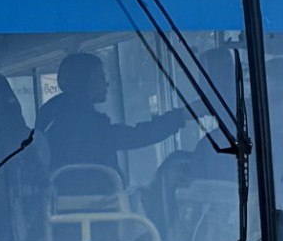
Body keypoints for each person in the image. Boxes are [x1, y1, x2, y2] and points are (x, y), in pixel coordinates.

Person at [36, 49, 187, 180]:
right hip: (99, 203)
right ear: (83, 82)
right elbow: (137, 136)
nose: (106, 83)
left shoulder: (51, 115)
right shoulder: (89, 124)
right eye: (100, 77)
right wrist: (182, 115)